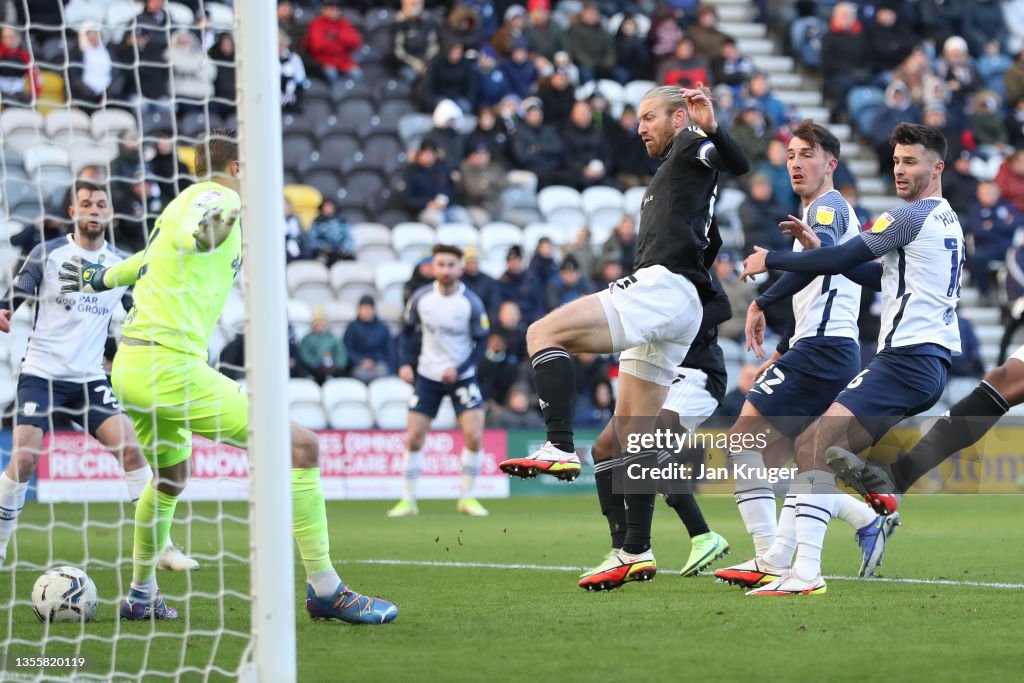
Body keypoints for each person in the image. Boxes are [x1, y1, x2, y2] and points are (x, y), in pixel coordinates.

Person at [58, 130, 397, 623]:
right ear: (237, 169)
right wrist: (217, 224)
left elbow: (147, 260)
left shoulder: (179, 201)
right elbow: (204, 231)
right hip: (167, 365)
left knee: (171, 477)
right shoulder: (215, 199)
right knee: (301, 447)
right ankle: (326, 590)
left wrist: (100, 278)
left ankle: (141, 593)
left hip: (133, 365)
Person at [499, 86, 749, 588]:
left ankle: (558, 444)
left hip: (665, 287)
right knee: (632, 439)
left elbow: (733, 162)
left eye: (648, 117)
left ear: (679, 117)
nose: (639, 127)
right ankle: (633, 550)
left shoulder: (690, 145)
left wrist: (712, 125)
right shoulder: (671, 169)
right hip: (676, 305)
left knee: (542, 331)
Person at [739, 123, 964, 596]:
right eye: (897, 161)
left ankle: (803, 567)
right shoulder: (947, 219)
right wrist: (823, 251)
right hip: (930, 365)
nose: (900, 170)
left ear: (937, 167)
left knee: (812, 444)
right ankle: (834, 531)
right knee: (814, 450)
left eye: (911, 162)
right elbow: (865, 271)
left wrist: (774, 261)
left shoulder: (908, 217)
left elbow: (839, 261)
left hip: (906, 358)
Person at [713, 121, 896, 589]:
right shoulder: (813, 213)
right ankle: (861, 518)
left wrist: (761, 298)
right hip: (821, 348)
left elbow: (826, 258)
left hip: (823, 350)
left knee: (741, 442)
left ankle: (771, 557)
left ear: (830, 163)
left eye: (807, 154)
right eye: (791, 154)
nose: (796, 162)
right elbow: (815, 283)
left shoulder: (830, 208)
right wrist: (781, 345)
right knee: (803, 457)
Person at [0, 181, 196, 572]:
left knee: (132, 451)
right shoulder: (48, 253)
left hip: (90, 380)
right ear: (73, 212)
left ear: (109, 213)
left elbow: (139, 312)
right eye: (85, 203)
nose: (93, 209)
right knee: (23, 457)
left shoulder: (121, 265)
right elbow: (14, 297)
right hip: (42, 373)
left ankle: (162, 547)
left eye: (100, 204)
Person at [581, 270, 734, 590]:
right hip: (655, 373)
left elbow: (723, 306)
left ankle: (703, 536)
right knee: (604, 449)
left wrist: (673, 325)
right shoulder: (645, 271)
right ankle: (622, 549)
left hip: (695, 374)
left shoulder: (691, 264)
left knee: (647, 443)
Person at [389, 245, 491, 518]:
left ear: (460, 268)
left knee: (474, 436)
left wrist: (462, 368)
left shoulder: (471, 302)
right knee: (414, 437)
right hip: (428, 376)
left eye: (451, 264)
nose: (445, 270)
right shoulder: (421, 298)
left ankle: (467, 498)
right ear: (433, 267)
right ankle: (408, 500)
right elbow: (406, 332)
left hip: (462, 377)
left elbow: (482, 342)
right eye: (440, 264)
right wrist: (404, 364)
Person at [343, 296, 395, 384]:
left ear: (374, 310)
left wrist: (378, 362)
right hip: (359, 365)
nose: (366, 311)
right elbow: (347, 350)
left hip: (379, 364)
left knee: (382, 372)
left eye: (369, 308)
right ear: (359, 310)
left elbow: (390, 350)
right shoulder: (352, 328)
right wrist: (360, 360)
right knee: (362, 375)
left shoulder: (382, 328)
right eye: (364, 308)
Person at [300, 308, 347, 385]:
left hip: (333, 368)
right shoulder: (308, 339)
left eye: (322, 324)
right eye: (318, 324)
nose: (320, 326)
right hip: (315, 369)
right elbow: (306, 355)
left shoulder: (332, 338)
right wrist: (317, 364)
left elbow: (341, 352)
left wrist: (337, 365)